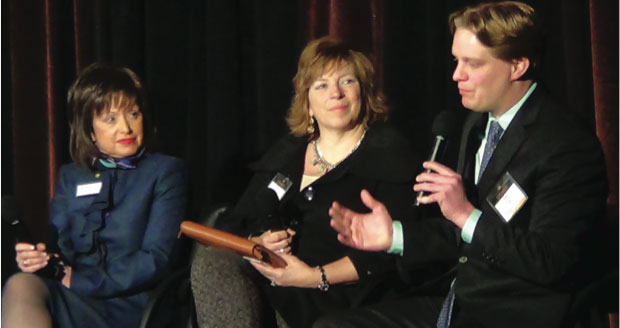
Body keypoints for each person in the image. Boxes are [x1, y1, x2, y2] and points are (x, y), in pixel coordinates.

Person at [323, 2, 608, 328]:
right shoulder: (477, 124)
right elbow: (465, 233)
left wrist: (464, 214)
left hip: (521, 313)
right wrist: (395, 236)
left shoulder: (566, 144)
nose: (457, 75)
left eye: (473, 63)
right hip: (464, 302)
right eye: (457, 60)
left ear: (517, 66)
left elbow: (552, 261)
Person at [190, 36, 425, 328]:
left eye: (347, 82)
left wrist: (315, 277)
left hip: (344, 296)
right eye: (321, 85)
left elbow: (391, 253)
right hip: (275, 288)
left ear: (364, 93)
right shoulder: (288, 152)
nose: (335, 94)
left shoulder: (390, 154)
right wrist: (256, 242)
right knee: (214, 263)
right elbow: (239, 219)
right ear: (308, 103)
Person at [1, 63, 189, 328]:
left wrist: (81, 280)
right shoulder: (72, 175)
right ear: (89, 130)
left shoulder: (165, 172)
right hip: (76, 297)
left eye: (133, 114)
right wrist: (41, 259)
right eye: (110, 119)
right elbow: (58, 245)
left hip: (133, 304)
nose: (126, 127)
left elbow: (157, 259)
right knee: (21, 284)